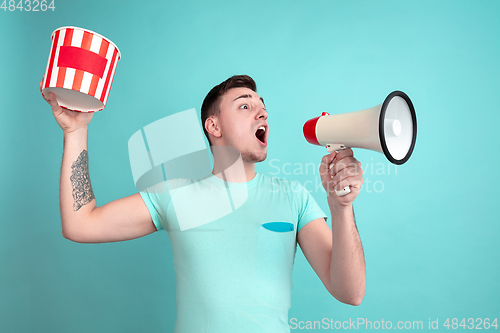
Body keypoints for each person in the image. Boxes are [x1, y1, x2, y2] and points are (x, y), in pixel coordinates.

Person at [40, 74, 366, 332]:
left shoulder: (293, 196)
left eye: (262, 106)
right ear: (214, 126)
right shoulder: (174, 196)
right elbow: (80, 224)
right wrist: (76, 131)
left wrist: (342, 207)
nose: (262, 111)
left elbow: (350, 293)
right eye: (244, 106)